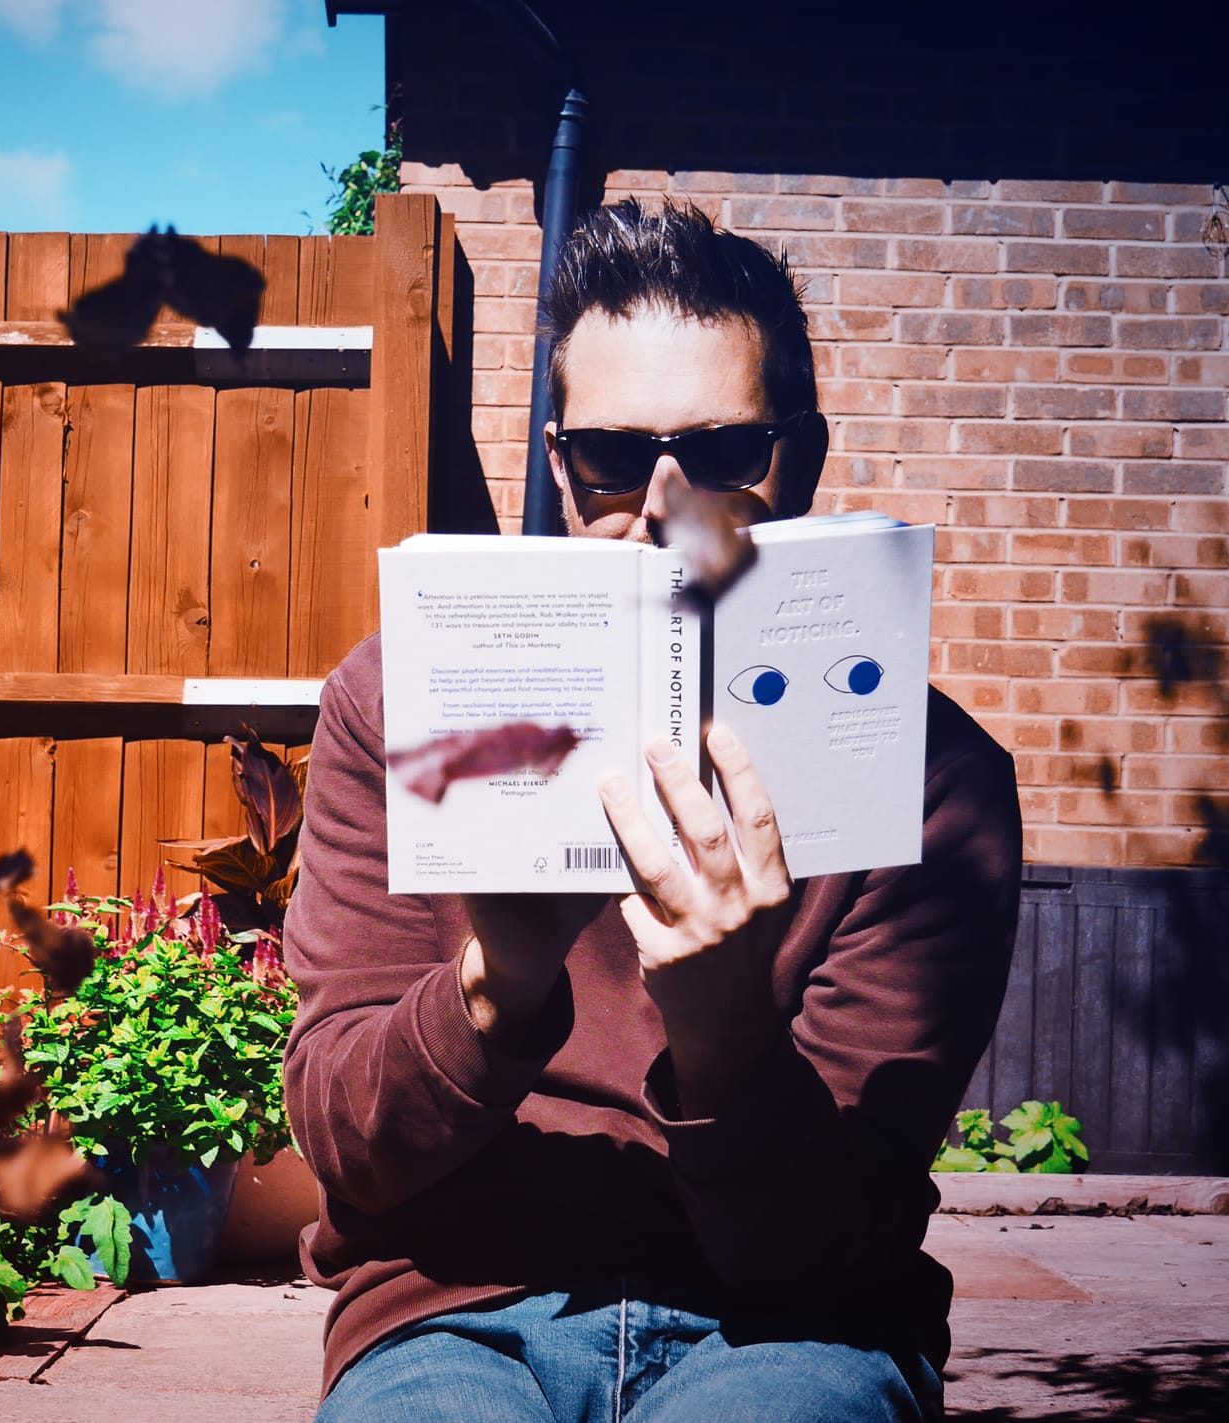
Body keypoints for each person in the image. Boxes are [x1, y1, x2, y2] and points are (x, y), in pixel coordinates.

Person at [282, 201, 1022, 1422]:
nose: (663, 502)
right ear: (558, 461)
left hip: (792, 1325)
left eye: (722, 451)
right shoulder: (399, 698)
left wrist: (720, 1018)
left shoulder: (929, 774)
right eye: (611, 458)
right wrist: (497, 983)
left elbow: (828, 1237)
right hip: (458, 1304)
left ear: (800, 457)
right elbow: (347, 1146)